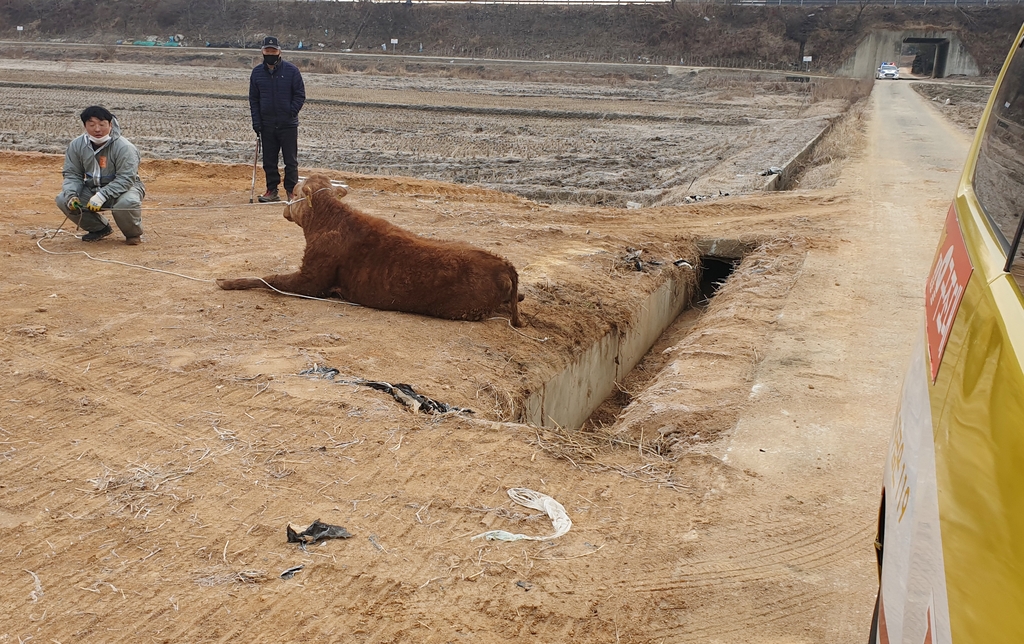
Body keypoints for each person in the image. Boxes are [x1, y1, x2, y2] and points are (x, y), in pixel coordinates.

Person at [56, 106, 145, 244]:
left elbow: (126, 179)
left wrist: (102, 195)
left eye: (102, 124)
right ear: (85, 125)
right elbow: (72, 174)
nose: (97, 129)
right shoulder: (76, 145)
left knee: (126, 203)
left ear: (110, 124)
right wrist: (72, 195)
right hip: (92, 188)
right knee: (63, 199)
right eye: (92, 125)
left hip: (125, 189)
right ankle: (99, 228)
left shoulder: (124, 147)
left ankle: (132, 234)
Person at [249, 36, 306, 203]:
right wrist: (256, 122)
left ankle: (291, 191)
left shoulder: (292, 71)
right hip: (266, 125)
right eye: (267, 51)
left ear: (279, 51)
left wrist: (291, 111)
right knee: (269, 161)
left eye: (273, 51)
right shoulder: (257, 73)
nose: (270, 54)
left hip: (287, 124)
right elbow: (254, 99)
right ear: (262, 52)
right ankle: (272, 190)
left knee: (290, 160)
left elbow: (300, 95)